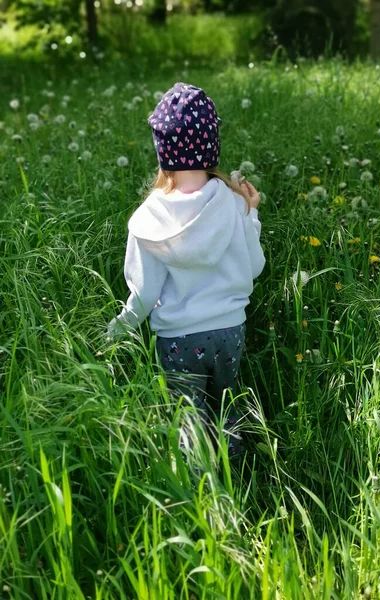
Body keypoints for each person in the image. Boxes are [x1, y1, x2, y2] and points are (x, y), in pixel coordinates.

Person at [107, 82, 265, 459]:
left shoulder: (147, 219)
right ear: (212, 145)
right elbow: (255, 265)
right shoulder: (233, 202)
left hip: (178, 341)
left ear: (162, 150)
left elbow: (144, 295)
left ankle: (200, 492)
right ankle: (240, 473)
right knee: (227, 405)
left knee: (189, 422)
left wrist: (116, 331)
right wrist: (252, 212)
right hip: (230, 332)